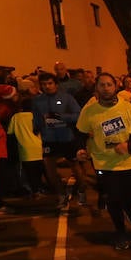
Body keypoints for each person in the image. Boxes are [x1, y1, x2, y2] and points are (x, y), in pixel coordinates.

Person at [76, 74, 131, 251]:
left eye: (109, 84)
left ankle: (129, 207)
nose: (106, 88)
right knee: (113, 199)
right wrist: (81, 149)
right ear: (96, 88)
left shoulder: (128, 109)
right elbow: (80, 134)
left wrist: (129, 146)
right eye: (102, 85)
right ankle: (120, 233)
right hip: (104, 163)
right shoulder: (89, 111)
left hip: (128, 161)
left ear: (116, 87)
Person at [31, 72, 84, 209]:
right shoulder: (37, 101)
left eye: (50, 83)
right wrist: (36, 128)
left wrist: (60, 117)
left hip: (66, 138)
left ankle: (82, 191)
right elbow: (37, 118)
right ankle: (61, 195)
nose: (47, 86)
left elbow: (78, 115)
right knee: (49, 170)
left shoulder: (66, 98)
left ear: (55, 84)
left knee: (75, 167)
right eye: (44, 84)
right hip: (49, 139)